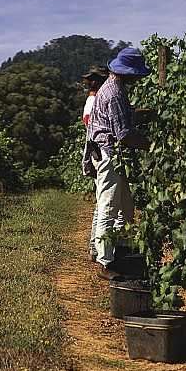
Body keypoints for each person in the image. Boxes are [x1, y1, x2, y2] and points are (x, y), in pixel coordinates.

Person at [83, 48, 152, 279]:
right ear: (129, 73)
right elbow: (124, 134)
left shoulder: (115, 88)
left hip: (113, 155)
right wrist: (153, 148)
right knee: (108, 207)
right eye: (137, 74)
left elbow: (124, 117)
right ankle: (105, 263)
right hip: (108, 153)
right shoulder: (114, 92)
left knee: (125, 207)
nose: (139, 79)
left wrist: (146, 115)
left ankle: (120, 250)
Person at [81, 65, 109, 261]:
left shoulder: (92, 101)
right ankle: (95, 248)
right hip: (100, 154)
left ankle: (95, 247)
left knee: (102, 202)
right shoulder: (93, 103)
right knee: (102, 204)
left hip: (97, 154)